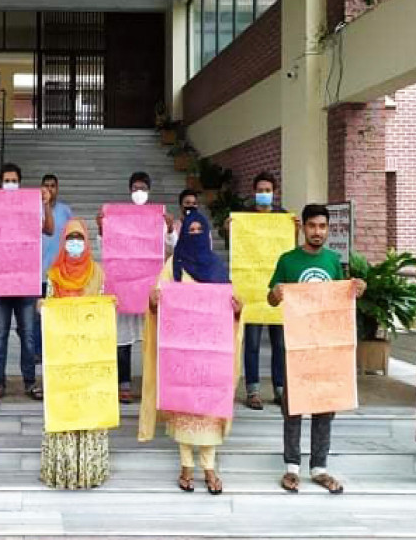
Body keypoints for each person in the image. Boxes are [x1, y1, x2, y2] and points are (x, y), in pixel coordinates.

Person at [140, 212, 242, 495]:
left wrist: (237, 309)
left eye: (200, 229)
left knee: (209, 410)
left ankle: (209, 467)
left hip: (212, 353)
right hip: (182, 355)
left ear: (207, 233)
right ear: (183, 235)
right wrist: (153, 301)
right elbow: (156, 300)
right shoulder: (173, 266)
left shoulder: (218, 267)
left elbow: (232, 307)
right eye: (190, 230)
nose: (195, 234)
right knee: (185, 406)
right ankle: (186, 465)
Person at [267, 204, 365, 494]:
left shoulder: (334, 261)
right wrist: (275, 293)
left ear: (328, 229)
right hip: (296, 344)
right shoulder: (287, 260)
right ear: (303, 228)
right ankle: (292, 468)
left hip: (327, 344)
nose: (318, 232)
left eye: (323, 227)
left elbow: (340, 297)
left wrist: (357, 287)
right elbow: (272, 300)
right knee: (293, 406)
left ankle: (319, 467)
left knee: (325, 404)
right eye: (312, 226)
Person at [0, 162, 54, 402]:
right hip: (0, 283)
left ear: (20, 183)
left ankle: (29, 381)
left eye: (13, 180)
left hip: (26, 282)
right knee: (0, 335)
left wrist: (45, 204)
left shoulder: (30, 205)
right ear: (0, 184)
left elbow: (48, 229)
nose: (10, 184)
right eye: (6, 181)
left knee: (28, 334)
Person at [39, 218, 110, 489]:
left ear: (87, 241)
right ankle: (64, 470)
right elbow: (49, 307)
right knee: (64, 405)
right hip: (63, 353)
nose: (75, 243)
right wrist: (42, 308)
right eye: (70, 238)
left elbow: (101, 307)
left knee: (89, 405)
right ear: (63, 242)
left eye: (79, 238)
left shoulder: (97, 274)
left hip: (90, 352)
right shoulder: (54, 274)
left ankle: (89, 470)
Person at [95, 171, 177, 404]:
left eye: (142, 188)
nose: (138, 192)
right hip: (123, 288)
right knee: (122, 340)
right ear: (129, 191)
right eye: (134, 188)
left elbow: (172, 247)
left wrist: (170, 229)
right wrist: (102, 227)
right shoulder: (118, 218)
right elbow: (106, 249)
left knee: (153, 339)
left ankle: (154, 384)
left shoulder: (158, 218)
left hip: (149, 288)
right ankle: (124, 385)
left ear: (148, 191)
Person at [226, 171, 294, 410]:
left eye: (268, 190)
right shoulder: (245, 218)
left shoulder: (284, 218)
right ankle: (253, 390)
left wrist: (294, 230)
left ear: (274, 192)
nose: (264, 194)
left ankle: (280, 389)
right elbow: (235, 249)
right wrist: (230, 230)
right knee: (252, 343)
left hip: (277, 290)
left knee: (280, 344)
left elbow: (290, 250)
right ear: (254, 192)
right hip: (252, 291)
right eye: (260, 190)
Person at [33, 174, 73, 364]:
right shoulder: (32, 209)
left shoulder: (65, 211)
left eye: (53, 186)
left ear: (57, 188)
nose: (49, 189)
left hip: (57, 273)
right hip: (36, 271)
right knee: (36, 316)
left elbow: (72, 237)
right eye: (46, 186)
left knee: (54, 315)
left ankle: (52, 350)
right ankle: (37, 352)